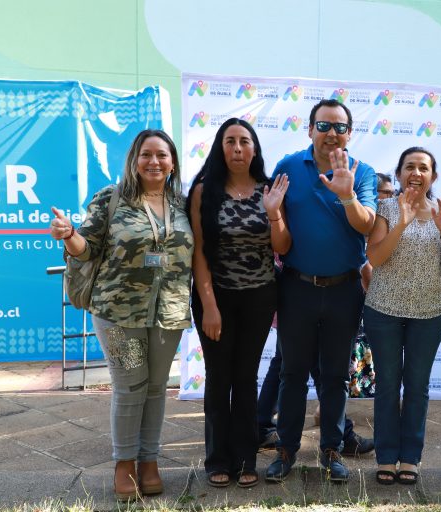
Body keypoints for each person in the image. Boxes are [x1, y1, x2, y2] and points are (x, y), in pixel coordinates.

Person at [49, 130, 193, 500]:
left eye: (162, 155)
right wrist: (69, 235)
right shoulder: (112, 199)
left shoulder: (183, 203)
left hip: (168, 313)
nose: (154, 162)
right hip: (118, 313)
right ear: (134, 160)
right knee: (131, 387)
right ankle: (124, 464)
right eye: (146, 154)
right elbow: (85, 249)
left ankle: (149, 462)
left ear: (172, 161)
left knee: (158, 388)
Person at [265, 99, 377, 483]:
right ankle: (286, 450)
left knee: (334, 377)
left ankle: (331, 449)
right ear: (309, 128)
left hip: (345, 291)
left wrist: (347, 194)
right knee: (292, 375)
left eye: (340, 127)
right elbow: (279, 244)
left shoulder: (362, 172)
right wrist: (274, 214)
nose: (332, 134)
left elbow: (366, 227)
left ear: (350, 132)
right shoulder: (288, 168)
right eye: (324, 126)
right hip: (296, 288)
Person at [187, 118, 291, 488]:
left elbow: (282, 248)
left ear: (254, 149)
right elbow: (198, 251)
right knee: (218, 379)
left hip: (260, 297)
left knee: (246, 378)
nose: (237, 148)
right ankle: (218, 458)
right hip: (215, 297)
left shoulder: (269, 190)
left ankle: (246, 459)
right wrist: (209, 305)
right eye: (229, 141)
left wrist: (275, 210)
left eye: (244, 141)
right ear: (220, 147)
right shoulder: (204, 191)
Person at [363, 147, 441, 485]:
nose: (416, 173)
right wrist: (401, 223)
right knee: (388, 386)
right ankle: (387, 457)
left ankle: (410, 458)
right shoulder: (385, 208)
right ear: (399, 173)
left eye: (424, 168)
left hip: (428, 313)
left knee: (417, 387)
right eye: (410, 167)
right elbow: (376, 259)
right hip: (383, 311)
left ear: (433, 176)